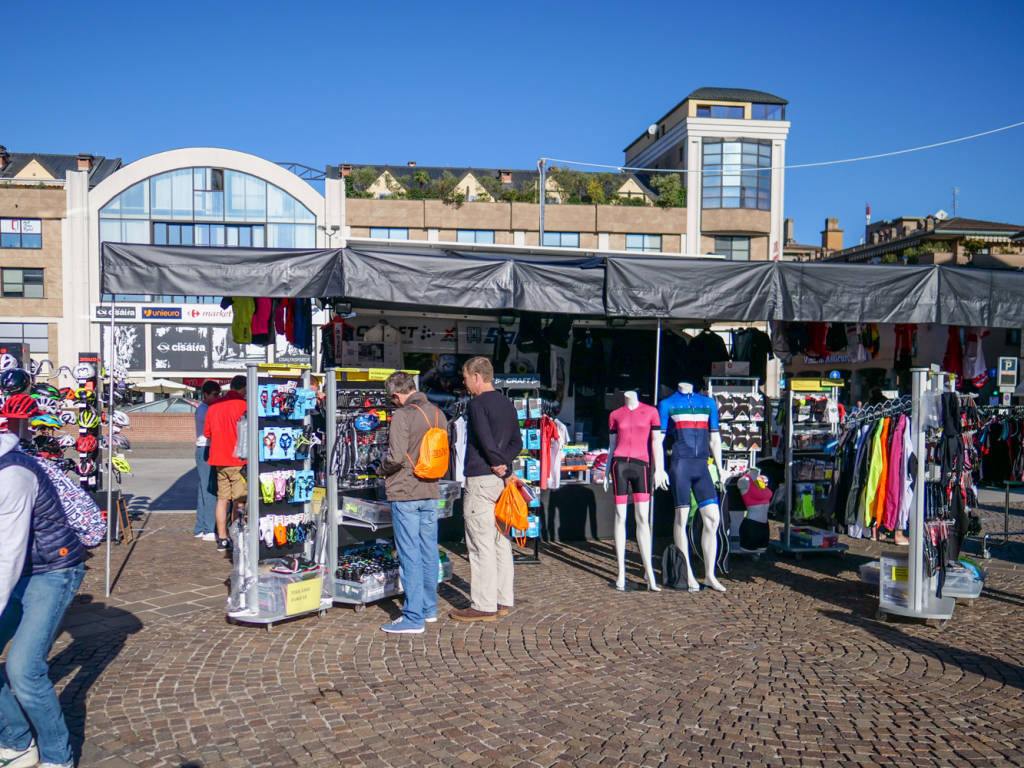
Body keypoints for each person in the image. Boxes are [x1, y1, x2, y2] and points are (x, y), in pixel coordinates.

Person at [0, 395, 85, 768]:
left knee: (24, 668)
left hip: (52, 569)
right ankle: (17, 742)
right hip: (19, 569)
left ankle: (57, 757)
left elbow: (8, 555)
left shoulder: (12, 475)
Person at [451, 356, 522, 622]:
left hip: (482, 477)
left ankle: (483, 604)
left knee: (480, 544)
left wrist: (496, 464)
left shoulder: (477, 403)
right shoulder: (506, 402)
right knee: (500, 541)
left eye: (466, 377)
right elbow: (517, 441)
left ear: (477, 377)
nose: (464, 382)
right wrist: (505, 465)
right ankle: (503, 598)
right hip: (501, 481)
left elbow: (484, 438)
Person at [377, 371, 448, 634]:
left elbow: (395, 457)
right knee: (429, 550)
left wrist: (380, 469)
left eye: (392, 399)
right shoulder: (438, 412)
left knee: (410, 555)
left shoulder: (403, 415)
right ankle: (429, 609)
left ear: (396, 394)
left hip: (406, 491)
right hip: (430, 489)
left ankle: (413, 616)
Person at [204, 374, 247, 552]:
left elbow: (207, 433)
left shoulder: (214, 406)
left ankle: (222, 537)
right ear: (243, 388)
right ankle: (237, 536)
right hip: (238, 459)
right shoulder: (244, 406)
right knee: (239, 501)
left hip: (219, 459)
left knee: (222, 499)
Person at [193, 380, 222, 541]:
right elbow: (214, 430)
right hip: (206, 448)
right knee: (210, 489)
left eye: (218, 394)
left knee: (203, 489)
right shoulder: (205, 410)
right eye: (215, 395)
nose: (217, 397)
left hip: (205, 448)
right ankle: (209, 528)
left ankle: (201, 527)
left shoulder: (205, 408)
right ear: (205, 395)